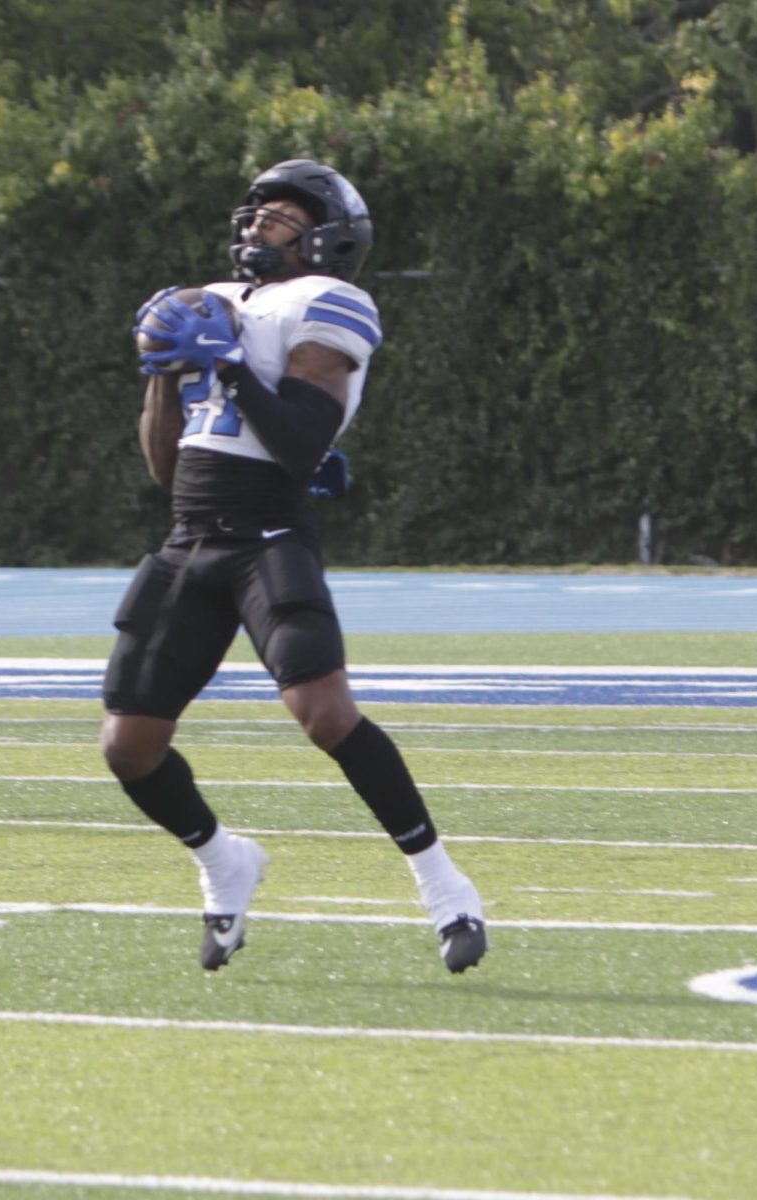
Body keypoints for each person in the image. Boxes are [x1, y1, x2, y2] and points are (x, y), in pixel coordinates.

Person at [101, 158, 486, 974]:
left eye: (281, 216)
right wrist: (166, 375)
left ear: (326, 236)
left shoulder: (331, 301)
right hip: (188, 533)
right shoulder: (212, 297)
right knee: (127, 747)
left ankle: (446, 888)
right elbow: (165, 466)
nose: (259, 226)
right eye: (257, 214)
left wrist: (233, 364)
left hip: (269, 532)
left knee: (325, 713)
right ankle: (222, 860)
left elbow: (303, 439)